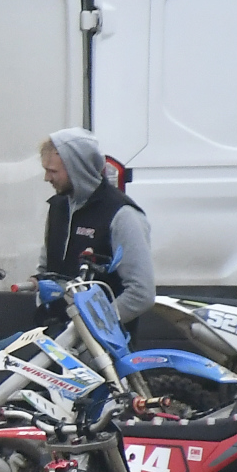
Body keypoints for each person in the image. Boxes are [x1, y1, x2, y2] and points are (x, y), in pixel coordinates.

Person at [39, 129, 153, 331]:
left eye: (53, 171)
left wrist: (93, 325)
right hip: (56, 335)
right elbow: (45, 270)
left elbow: (141, 293)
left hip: (100, 344)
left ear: (77, 169)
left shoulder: (122, 215)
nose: (46, 178)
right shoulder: (58, 206)